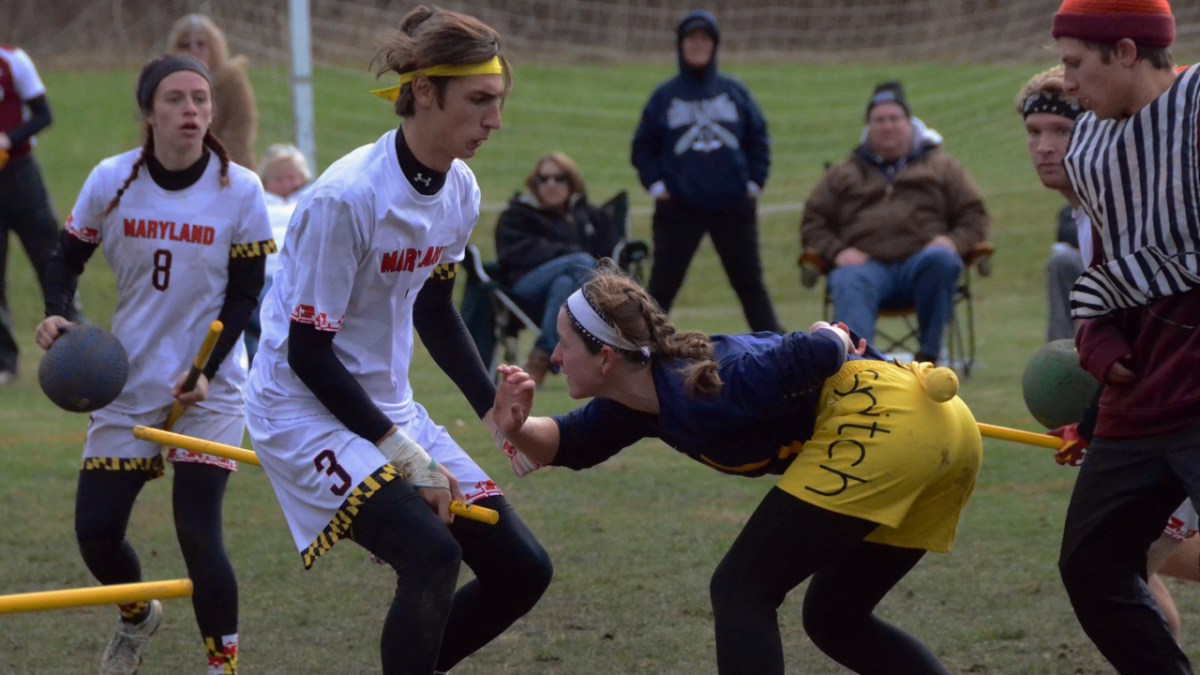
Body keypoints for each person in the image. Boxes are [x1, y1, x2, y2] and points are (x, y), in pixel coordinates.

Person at [242, 7, 551, 674]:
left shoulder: (460, 190)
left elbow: (435, 309)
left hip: (386, 407)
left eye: (498, 101)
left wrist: (492, 411)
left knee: (523, 569)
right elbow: (307, 351)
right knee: (432, 554)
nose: (495, 120)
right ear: (424, 93)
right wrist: (400, 451)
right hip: (299, 412)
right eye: (480, 101)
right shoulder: (346, 198)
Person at [491, 262, 982, 674]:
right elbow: (567, 443)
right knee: (835, 618)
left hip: (893, 421)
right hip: (948, 427)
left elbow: (820, 349)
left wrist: (829, 333)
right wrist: (515, 425)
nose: (555, 357)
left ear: (604, 358)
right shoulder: (638, 401)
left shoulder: (710, 382)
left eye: (563, 344)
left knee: (741, 588)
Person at [35, 54, 272, 675]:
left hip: (210, 386)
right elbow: (64, 260)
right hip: (128, 380)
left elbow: (246, 293)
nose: (191, 110)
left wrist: (207, 370)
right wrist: (57, 314)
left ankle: (223, 666)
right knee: (96, 532)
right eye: (175, 99)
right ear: (149, 112)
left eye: (201, 98)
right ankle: (138, 616)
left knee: (197, 529)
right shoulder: (111, 179)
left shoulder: (241, 188)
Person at [1018, 62, 1200, 646]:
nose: (1046, 148)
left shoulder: (1141, 200)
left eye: (1062, 132)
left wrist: (1097, 417)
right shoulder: (1083, 213)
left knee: (1127, 563)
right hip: (1143, 412)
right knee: (1125, 564)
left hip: (1175, 409)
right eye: (1035, 133)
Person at [800, 81, 990, 364]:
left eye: (894, 118)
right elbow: (813, 222)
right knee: (848, 278)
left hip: (922, 264)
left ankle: (929, 359)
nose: (887, 126)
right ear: (868, 127)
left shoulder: (942, 167)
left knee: (942, 260)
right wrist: (837, 252)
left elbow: (974, 215)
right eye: (879, 120)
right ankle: (856, 366)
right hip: (865, 268)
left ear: (909, 123)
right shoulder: (843, 173)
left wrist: (953, 242)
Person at [630, 10, 782, 334]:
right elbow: (643, 147)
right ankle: (637, 350)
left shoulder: (734, 91)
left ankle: (780, 352)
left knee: (750, 285)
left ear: (715, 45)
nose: (698, 45)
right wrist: (657, 187)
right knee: (661, 289)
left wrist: (754, 184)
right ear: (680, 45)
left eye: (705, 38)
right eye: (691, 38)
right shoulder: (664, 96)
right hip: (679, 208)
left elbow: (758, 138)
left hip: (733, 206)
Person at [495, 152, 621, 385]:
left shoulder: (590, 215)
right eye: (543, 179)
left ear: (571, 182)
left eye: (559, 178)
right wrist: (565, 254)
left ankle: (541, 356)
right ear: (535, 183)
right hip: (526, 286)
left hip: (565, 294)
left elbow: (609, 257)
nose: (551, 184)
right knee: (581, 261)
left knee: (564, 283)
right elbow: (512, 254)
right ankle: (594, 345)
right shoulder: (517, 214)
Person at [0, 45, 65, 384]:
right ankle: (5, 362)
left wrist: (8, 139)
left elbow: (44, 115)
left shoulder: (13, 61)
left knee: (51, 260)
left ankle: (73, 347)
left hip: (21, 174)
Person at [244, 143, 312, 363]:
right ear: (266, 181)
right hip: (264, 276)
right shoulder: (257, 203)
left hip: (298, 277)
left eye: (292, 178)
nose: (287, 184)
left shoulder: (311, 200)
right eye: (279, 178)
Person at [168, 14, 259, 170]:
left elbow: (240, 133)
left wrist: (202, 163)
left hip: (228, 169)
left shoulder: (232, 81)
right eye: (185, 45)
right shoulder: (164, 85)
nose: (193, 50)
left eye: (201, 44)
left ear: (214, 47)